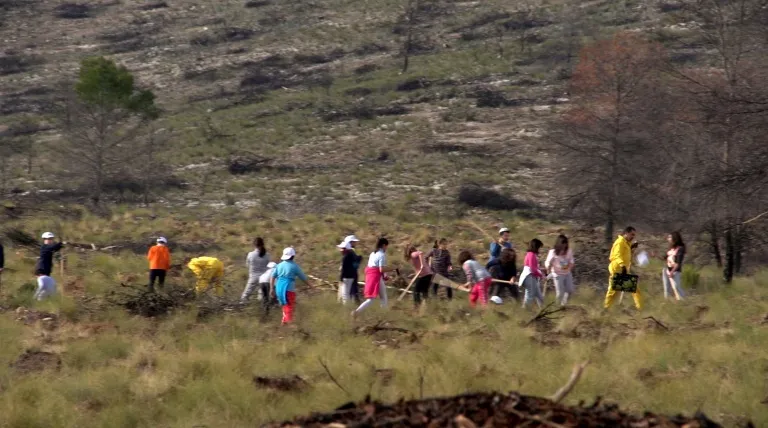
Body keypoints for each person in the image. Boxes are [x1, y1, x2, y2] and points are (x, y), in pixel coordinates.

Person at [353, 238, 395, 317]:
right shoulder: (382, 255)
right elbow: (381, 269)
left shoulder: (373, 253)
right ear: (383, 245)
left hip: (371, 276)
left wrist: (385, 277)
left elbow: (377, 268)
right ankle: (357, 312)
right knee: (372, 299)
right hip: (375, 277)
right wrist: (393, 268)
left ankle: (383, 316)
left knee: (382, 297)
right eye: (386, 246)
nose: (386, 248)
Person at [271, 247, 311, 325]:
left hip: (279, 288)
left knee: (285, 307)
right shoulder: (294, 266)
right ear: (293, 256)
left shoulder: (279, 265)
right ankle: (290, 327)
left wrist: (272, 289)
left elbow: (272, 276)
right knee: (289, 307)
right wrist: (311, 285)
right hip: (288, 289)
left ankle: (284, 324)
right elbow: (303, 277)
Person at [604, 226, 641, 310]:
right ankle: (606, 308)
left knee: (634, 290)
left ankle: (640, 308)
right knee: (613, 292)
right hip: (617, 269)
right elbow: (617, 255)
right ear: (626, 233)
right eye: (632, 234)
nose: (633, 237)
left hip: (622, 270)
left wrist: (632, 248)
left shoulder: (626, 244)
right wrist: (622, 266)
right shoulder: (620, 242)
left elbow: (627, 255)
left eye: (634, 235)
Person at [545, 235, 575, 306]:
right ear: (559, 244)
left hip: (567, 273)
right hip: (557, 275)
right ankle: (557, 307)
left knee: (570, 290)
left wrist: (570, 267)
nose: (564, 247)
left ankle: (564, 305)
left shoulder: (569, 251)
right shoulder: (553, 252)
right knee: (560, 293)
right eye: (562, 245)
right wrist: (548, 266)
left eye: (565, 244)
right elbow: (547, 262)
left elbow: (572, 261)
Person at [240, 237, 270, 303]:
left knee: (245, 296)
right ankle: (260, 310)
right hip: (264, 278)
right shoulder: (267, 255)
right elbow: (269, 267)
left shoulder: (250, 254)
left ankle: (242, 308)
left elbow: (247, 265)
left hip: (253, 277)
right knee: (262, 297)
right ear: (263, 244)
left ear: (254, 245)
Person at [405, 243, 434, 309]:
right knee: (424, 291)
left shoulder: (413, 254)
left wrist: (421, 264)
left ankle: (417, 307)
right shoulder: (414, 257)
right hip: (429, 274)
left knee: (416, 291)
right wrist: (414, 277)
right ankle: (428, 307)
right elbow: (417, 268)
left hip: (424, 275)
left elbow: (419, 253)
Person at [520, 239, 545, 309]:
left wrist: (541, 271)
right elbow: (532, 269)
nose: (540, 249)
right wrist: (542, 276)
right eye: (539, 247)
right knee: (529, 296)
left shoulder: (531, 255)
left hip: (532, 277)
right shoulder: (531, 254)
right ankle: (524, 312)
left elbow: (534, 268)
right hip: (529, 277)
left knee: (539, 296)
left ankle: (543, 309)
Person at [338, 235, 362, 305]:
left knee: (347, 294)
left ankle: (351, 308)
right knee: (351, 293)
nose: (355, 243)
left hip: (348, 276)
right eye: (354, 242)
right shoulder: (351, 253)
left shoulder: (349, 254)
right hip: (352, 275)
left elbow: (353, 265)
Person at [662, 231, 686, 300]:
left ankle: (683, 301)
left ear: (674, 238)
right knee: (667, 289)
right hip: (667, 270)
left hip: (675, 271)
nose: (668, 239)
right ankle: (668, 302)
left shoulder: (680, 249)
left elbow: (678, 263)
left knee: (676, 287)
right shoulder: (671, 248)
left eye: (670, 237)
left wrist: (672, 272)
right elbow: (664, 258)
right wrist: (655, 255)